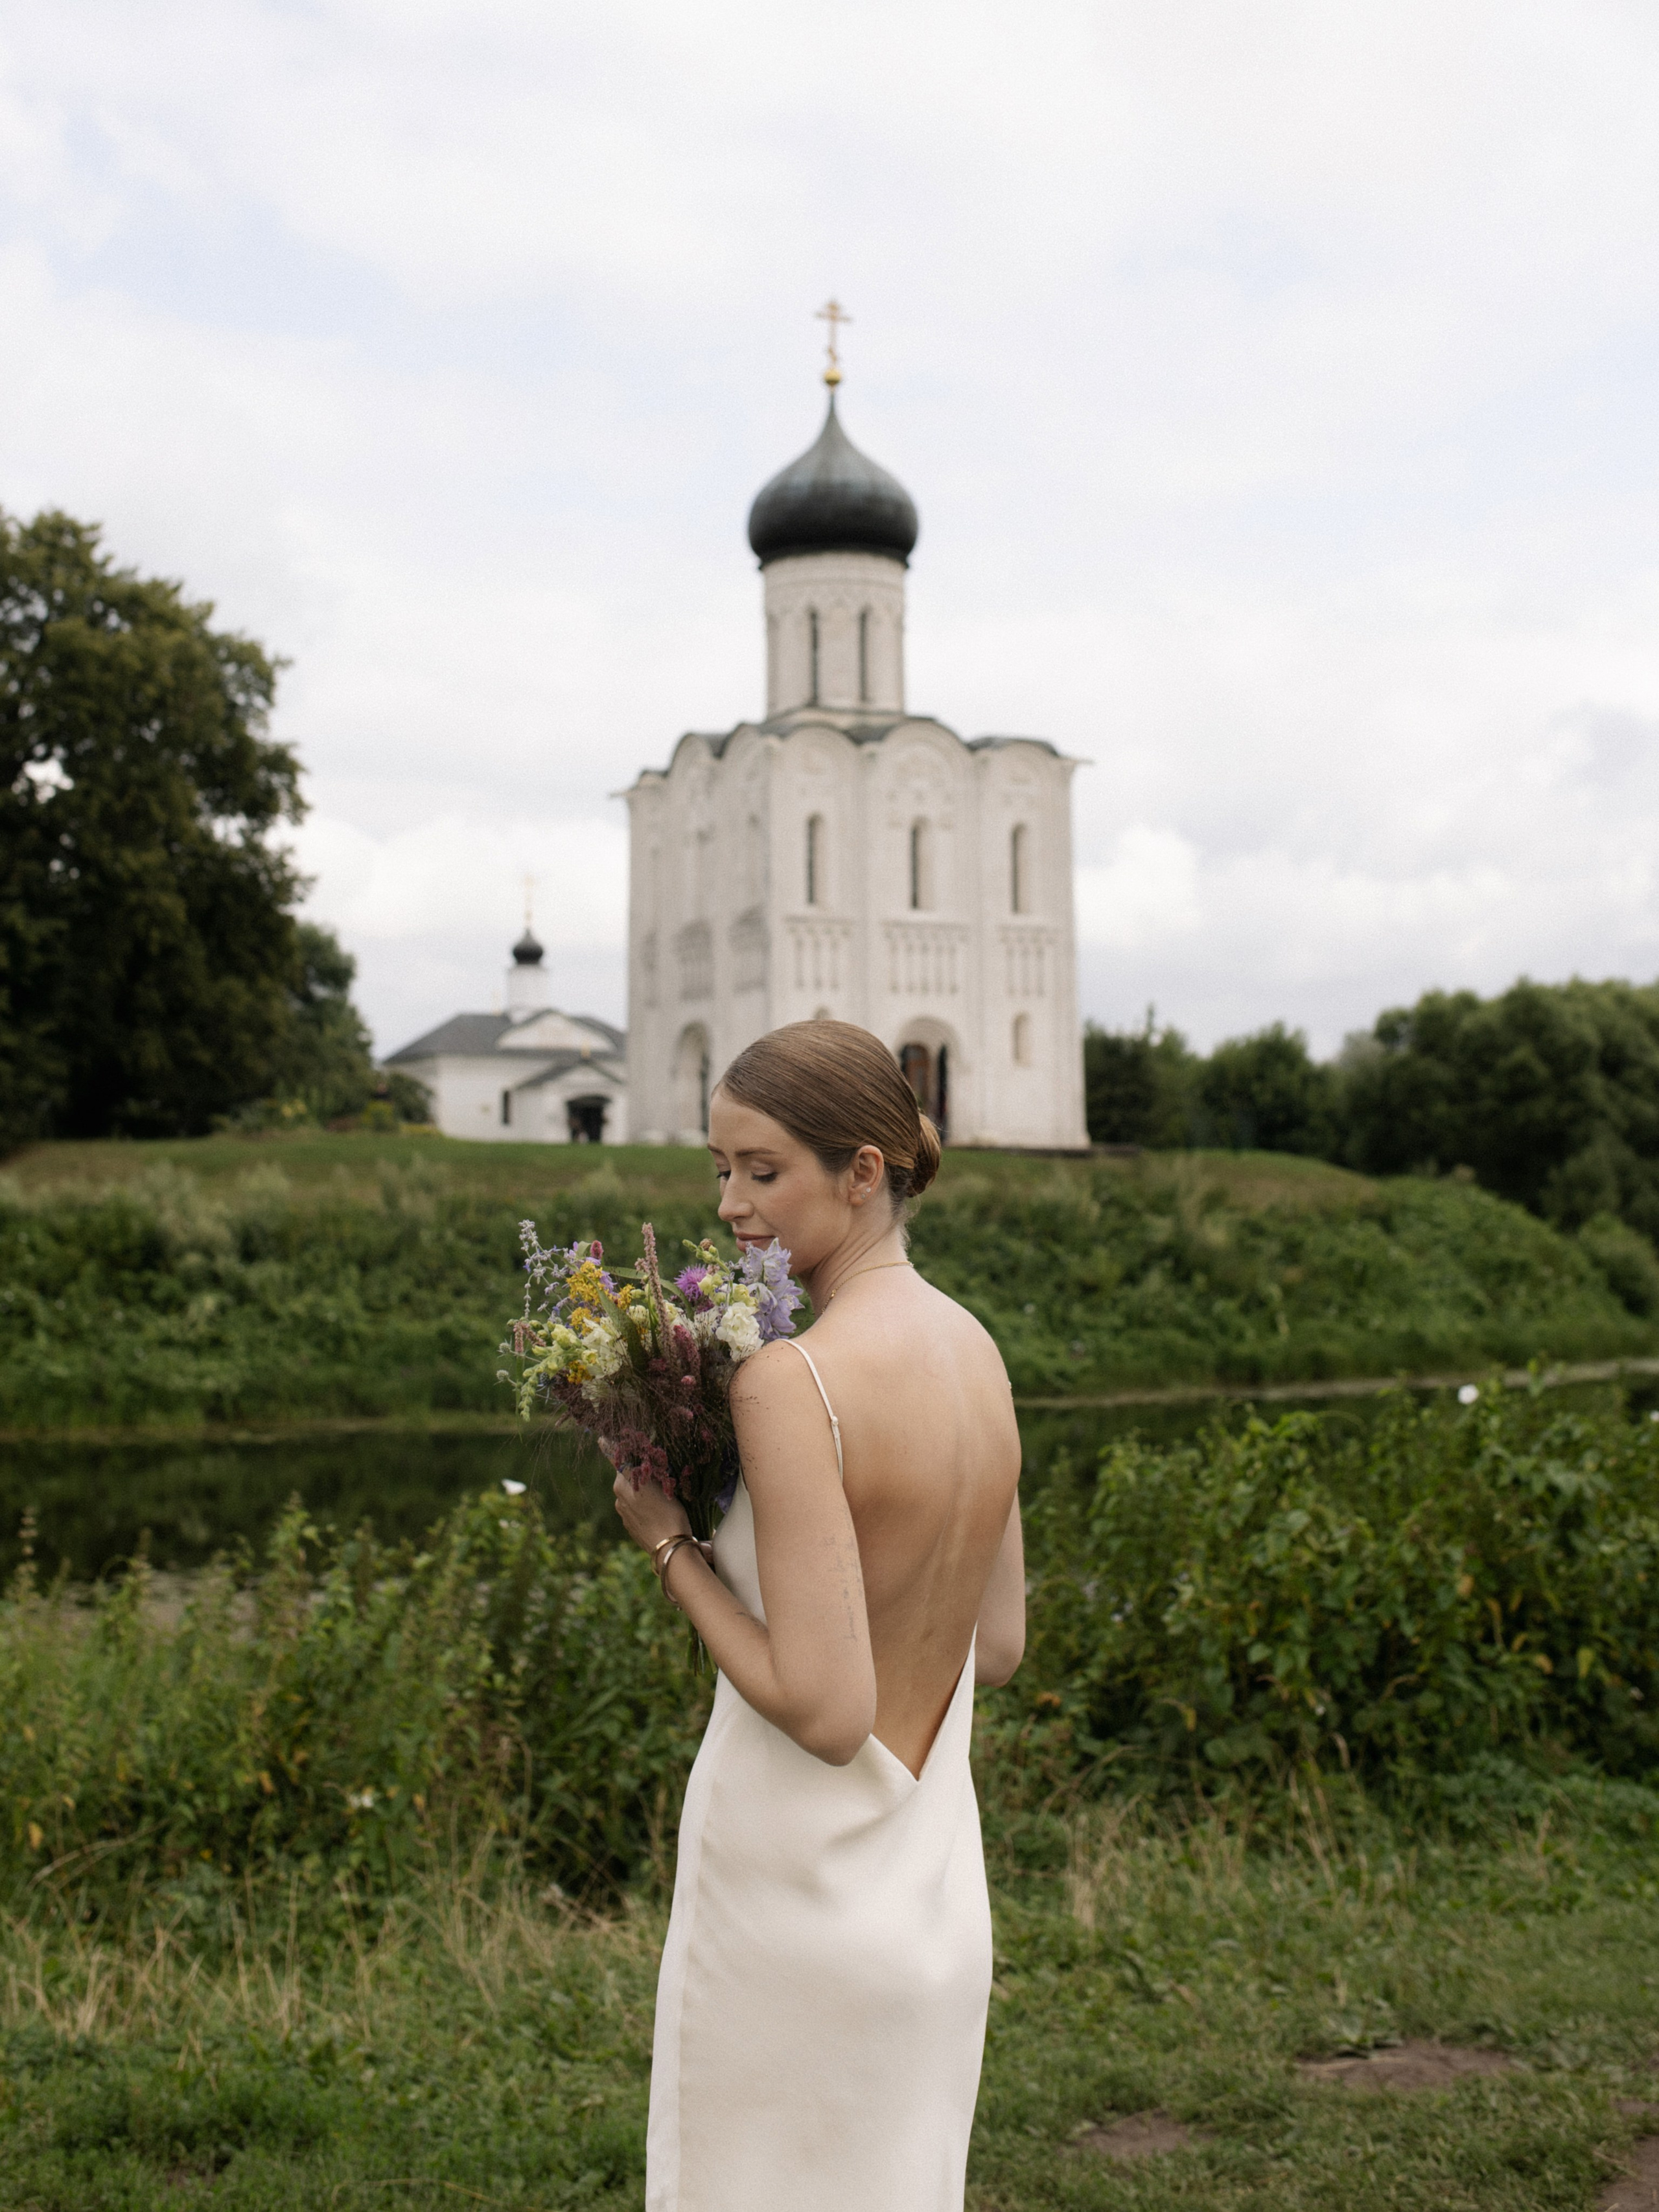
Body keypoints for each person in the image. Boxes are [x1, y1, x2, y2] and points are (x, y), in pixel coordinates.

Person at [611, 1019, 1025, 2212]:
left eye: (765, 1169)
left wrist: (672, 1545)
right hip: (934, 1904)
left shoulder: (792, 1378)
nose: (734, 1203)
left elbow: (828, 1711)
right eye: (720, 1167)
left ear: (864, 1171)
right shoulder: (977, 1352)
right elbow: (995, 1648)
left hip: (791, 1906)